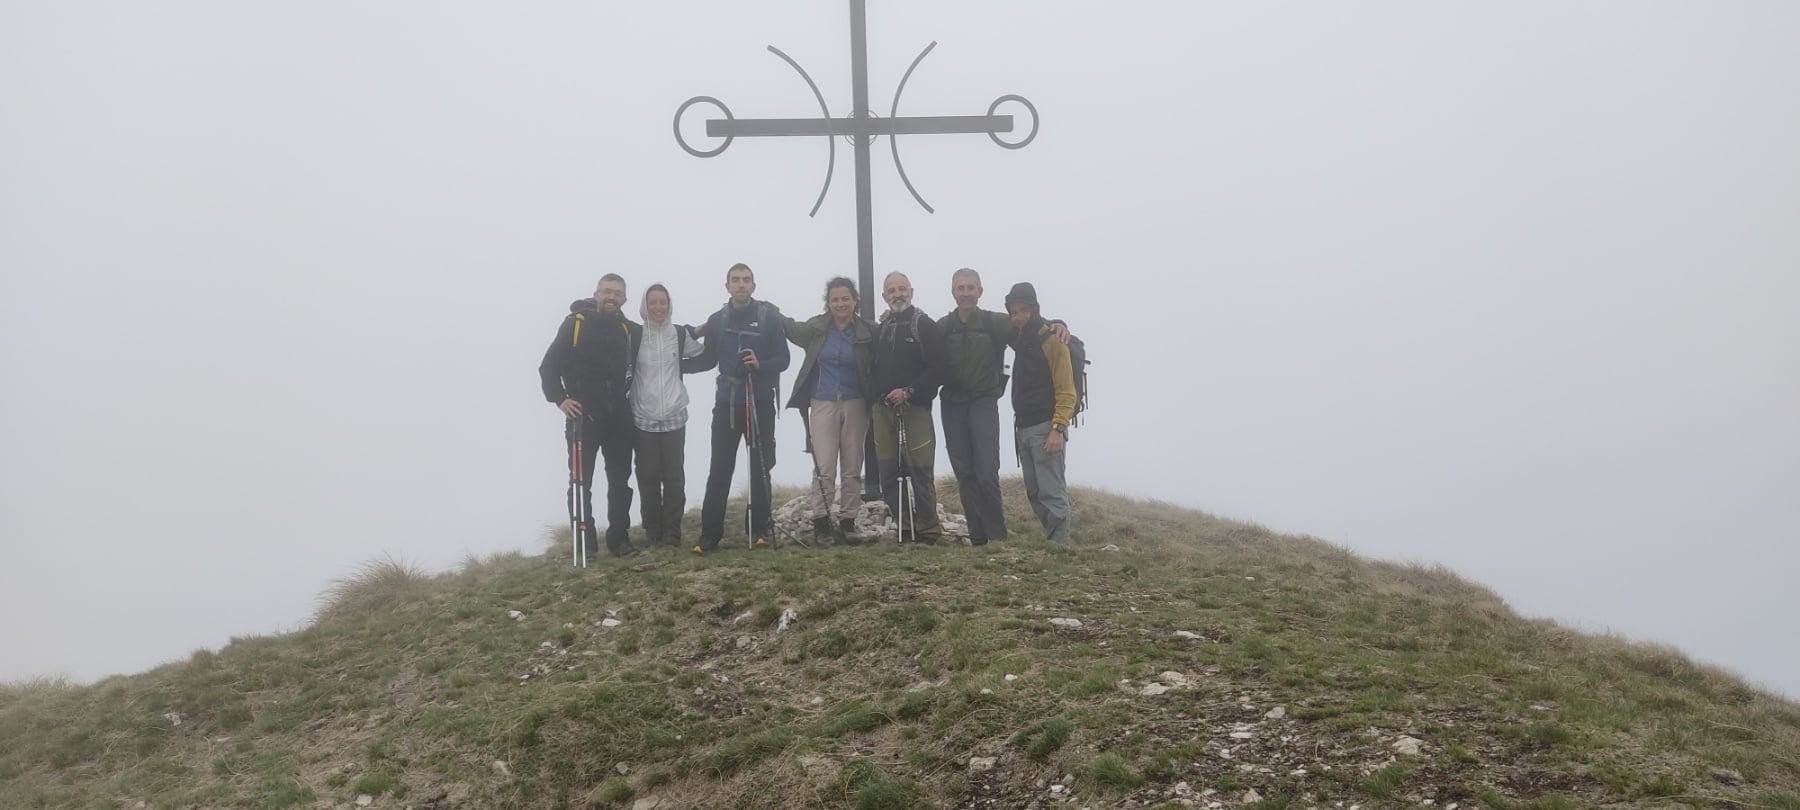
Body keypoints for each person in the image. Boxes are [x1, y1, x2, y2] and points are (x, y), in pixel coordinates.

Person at [939, 268, 1072, 546]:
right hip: (952, 406)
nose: (966, 293)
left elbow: (1031, 324)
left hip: (983, 404)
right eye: (960, 288)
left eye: (971, 287)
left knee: (987, 472)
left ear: (980, 292)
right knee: (965, 474)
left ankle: (997, 537)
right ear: (953, 293)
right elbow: (920, 340)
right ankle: (977, 538)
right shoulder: (942, 327)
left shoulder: (994, 323)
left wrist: (1057, 323)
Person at [538, 273, 644, 558]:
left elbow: (663, 339)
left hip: (619, 413)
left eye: (617, 293)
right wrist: (560, 399)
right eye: (606, 291)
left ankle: (619, 540)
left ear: (624, 299)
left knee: (620, 480)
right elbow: (548, 367)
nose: (611, 297)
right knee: (580, 481)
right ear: (596, 294)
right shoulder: (575, 324)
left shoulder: (628, 329)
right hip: (583, 415)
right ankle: (585, 543)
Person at [692, 263, 790, 553]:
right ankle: (710, 535)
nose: (741, 285)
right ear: (727, 286)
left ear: (754, 286)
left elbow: (783, 359)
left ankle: (759, 529)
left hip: (759, 399)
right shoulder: (716, 320)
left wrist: (760, 365)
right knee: (720, 469)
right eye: (735, 280)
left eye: (746, 280)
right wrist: (677, 366)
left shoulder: (769, 318)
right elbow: (708, 359)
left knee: (761, 467)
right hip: (726, 402)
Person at [782, 277, 877, 544]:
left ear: (855, 300)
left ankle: (848, 522)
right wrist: (768, 309)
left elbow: (887, 342)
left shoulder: (868, 331)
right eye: (835, 299)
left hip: (856, 401)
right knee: (823, 466)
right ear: (828, 302)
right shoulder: (815, 328)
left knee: (852, 465)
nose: (840, 304)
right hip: (822, 401)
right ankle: (821, 523)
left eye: (845, 298)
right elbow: (789, 327)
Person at [628, 283, 708, 547]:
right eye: (653, 302)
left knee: (674, 478)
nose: (658, 307)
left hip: (675, 415)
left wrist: (706, 332)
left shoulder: (678, 334)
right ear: (645, 306)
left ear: (669, 304)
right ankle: (653, 532)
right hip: (643, 417)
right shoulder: (636, 335)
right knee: (648, 477)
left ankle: (672, 532)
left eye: (663, 302)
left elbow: (706, 355)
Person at [872, 271, 948, 544]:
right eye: (891, 290)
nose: (897, 294)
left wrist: (910, 391)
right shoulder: (881, 329)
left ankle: (928, 530)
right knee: (889, 470)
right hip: (883, 411)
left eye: (902, 289)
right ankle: (904, 528)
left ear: (911, 292)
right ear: (884, 296)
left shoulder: (924, 325)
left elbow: (939, 367)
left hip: (916, 408)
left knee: (920, 468)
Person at [1004, 282, 1076, 543]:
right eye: (1014, 312)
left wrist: (1058, 428)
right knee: (1034, 492)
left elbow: (1067, 390)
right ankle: (1054, 542)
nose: (1018, 316)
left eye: (1024, 310)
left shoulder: (1053, 341)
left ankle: (1061, 549)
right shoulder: (1020, 337)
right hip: (1023, 429)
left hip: (1047, 428)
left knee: (1052, 492)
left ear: (1034, 309)